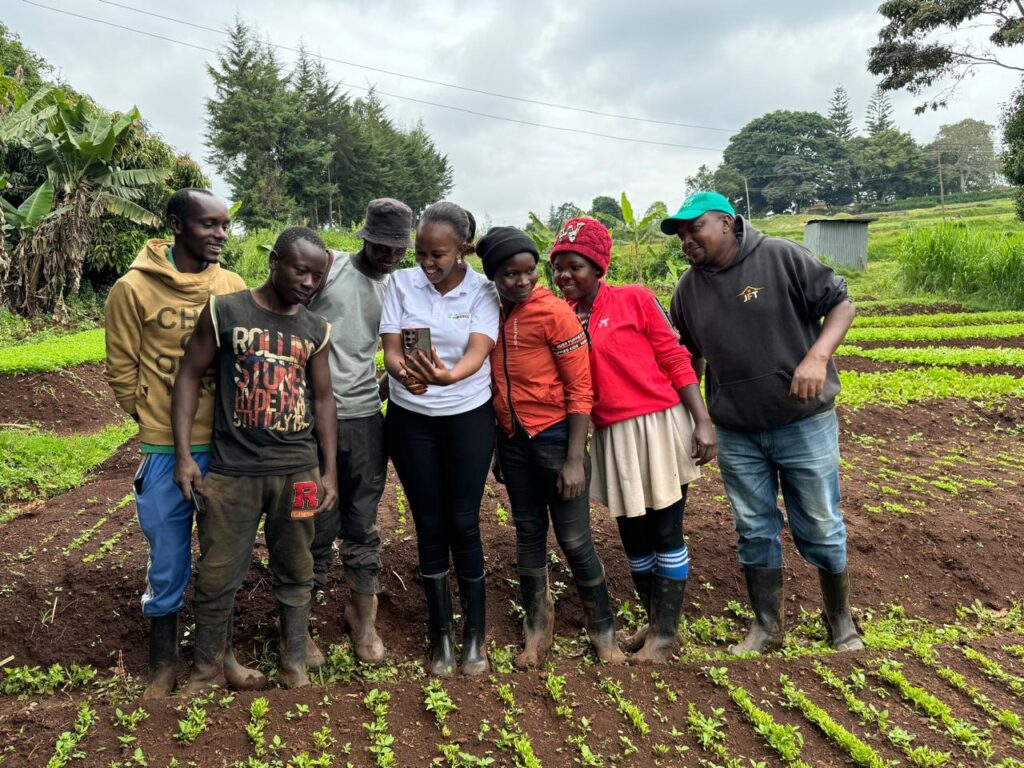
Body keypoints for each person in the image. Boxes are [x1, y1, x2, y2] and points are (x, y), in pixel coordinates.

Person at [663, 191, 863, 654]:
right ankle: (766, 626)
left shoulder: (780, 256)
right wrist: (698, 419)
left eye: (695, 228)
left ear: (728, 223)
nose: (686, 240)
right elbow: (685, 358)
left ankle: (841, 621)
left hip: (802, 421)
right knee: (754, 527)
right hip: (737, 430)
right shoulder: (688, 289)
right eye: (680, 233)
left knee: (819, 522)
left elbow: (842, 304)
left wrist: (817, 357)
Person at [172, 226, 338, 691]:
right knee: (218, 572)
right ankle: (206, 670)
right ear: (275, 261)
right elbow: (188, 376)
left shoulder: (315, 329)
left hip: (298, 473)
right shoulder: (226, 311)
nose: (308, 282)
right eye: (300, 270)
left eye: (317, 275)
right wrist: (183, 456)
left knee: (297, 565)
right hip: (232, 473)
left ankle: (294, 661)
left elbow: (324, 400)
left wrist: (329, 472)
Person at [103, 188, 249, 698]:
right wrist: (153, 419)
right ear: (177, 225)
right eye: (209, 224)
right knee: (167, 559)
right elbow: (121, 369)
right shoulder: (133, 289)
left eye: (224, 225)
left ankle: (218, 654)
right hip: (166, 449)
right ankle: (162, 665)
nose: (220, 235)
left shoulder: (231, 285)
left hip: (227, 447)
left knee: (222, 557)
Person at [551, 216, 716, 664]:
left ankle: (666, 636)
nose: (564, 276)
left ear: (598, 267)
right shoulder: (559, 315)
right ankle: (654, 620)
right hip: (608, 435)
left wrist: (702, 420)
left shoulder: (635, 300)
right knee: (633, 538)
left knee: (666, 530)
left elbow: (674, 357)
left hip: (657, 426)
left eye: (575, 266)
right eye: (558, 267)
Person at [477, 227, 625, 668]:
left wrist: (575, 460)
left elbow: (581, 388)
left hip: (558, 438)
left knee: (575, 539)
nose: (522, 282)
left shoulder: (554, 314)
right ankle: (537, 632)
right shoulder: (488, 313)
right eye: (509, 274)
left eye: (528, 272)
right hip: (514, 442)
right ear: (494, 277)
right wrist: (501, 451)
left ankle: (604, 633)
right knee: (528, 535)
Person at [379, 201, 499, 676]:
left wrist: (450, 378)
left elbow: (479, 351)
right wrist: (402, 374)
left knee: (463, 520)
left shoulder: (481, 291)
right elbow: (390, 350)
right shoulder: (401, 283)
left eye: (439, 256)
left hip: (467, 415)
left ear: (463, 250)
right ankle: (441, 637)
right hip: (411, 421)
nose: (427, 264)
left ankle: (475, 636)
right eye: (421, 253)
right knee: (428, 521)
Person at [308, 198, 413, 665]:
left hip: (367, 420)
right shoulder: (328, 270)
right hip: (312, 420)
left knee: (362, 524)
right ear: (364, 236)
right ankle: (300, 625)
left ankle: (362, 619)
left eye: (398, 248)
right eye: (382, 245)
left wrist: (385, 383)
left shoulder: (398, 290)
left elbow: (405, 352)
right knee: (312, 521)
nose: (390, 255)